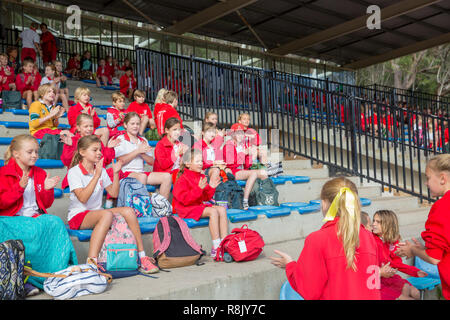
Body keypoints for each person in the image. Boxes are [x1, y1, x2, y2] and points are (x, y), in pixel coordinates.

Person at [269, 177, 381, 300]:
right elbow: (372, 286)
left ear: (324, 203)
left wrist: (290, 265)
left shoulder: (317, 240)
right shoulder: (369, 237)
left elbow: (309, 290)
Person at [66, 135, 159, 274]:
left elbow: (114, 193)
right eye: (95, 150)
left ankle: (142, 257)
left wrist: (115, 173)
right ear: (82, 152)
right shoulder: (74, 172)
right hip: (78, 216)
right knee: (106, 214)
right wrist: (96, 175)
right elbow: (83, 198)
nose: (99, 153)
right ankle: (92, 262)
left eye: (100, 150)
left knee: (128, 211)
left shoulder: (101, 170)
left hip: (98, 213)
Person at [0, 134, 71, 296]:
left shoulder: (39, 173)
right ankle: (23, 279)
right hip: (12, 220)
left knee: (55, 222)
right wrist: (19, 187)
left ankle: (55, 275)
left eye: (36, 152)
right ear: (16, 154)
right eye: (30, 152)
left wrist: (46, 189)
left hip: (34, 219)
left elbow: (45, 204)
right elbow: (2, 203)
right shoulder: (3, 173)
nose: (35, 155)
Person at [396, 154, 450, 300]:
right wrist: (424, 249)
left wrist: (413, 250)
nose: (426, 183)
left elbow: (434, 258)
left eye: (428, 178)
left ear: (442, 178)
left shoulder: (442, 206)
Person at [172, 148, 227, 258]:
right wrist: (198, 189)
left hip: (197, 205)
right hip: (185, 208)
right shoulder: (182, 178)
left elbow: (205, 197)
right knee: (213, 212)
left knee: (221, 209)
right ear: (188, 164)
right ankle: (216, 247)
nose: (200, 164)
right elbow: (184, 200)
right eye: (197, 161)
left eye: (201, 161)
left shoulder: (201, 176)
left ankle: (225, 243)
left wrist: (211, 187)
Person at [113, 112, 172, 200]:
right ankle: (141, 208)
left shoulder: (143, 140)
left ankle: (161, 207)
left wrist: (142, 153)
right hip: (125, 173)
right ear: (125, 125)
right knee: (142, 177)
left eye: (138, 124)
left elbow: (151, 162)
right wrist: (137, 151)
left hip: (140, 172)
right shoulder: (121, 139)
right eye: (132, 123)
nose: (135, 126)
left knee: (167, 176)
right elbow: (120, 161)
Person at [372, 210, 427, 300]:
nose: (373, 224)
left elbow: (396, 263)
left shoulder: (392, 241)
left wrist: (415, 272)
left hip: (389, 277)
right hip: (377, 279)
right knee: (406, 295)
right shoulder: (371, 239)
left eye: (378, 222)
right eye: (373, 220)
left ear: (388, 224)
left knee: (415, 292)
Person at [60, 113, 118, 190]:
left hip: (96, 174)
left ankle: (109, 201)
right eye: (86, 126)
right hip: (80, 177)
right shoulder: (72, 141)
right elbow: (67, 162)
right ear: (78, 128)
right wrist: (69, 147)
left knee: (116, 175)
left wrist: (109, 148)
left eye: (91, 126)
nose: (89, 129)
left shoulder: (96, 141)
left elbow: (104, 160)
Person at [223, 123, 268, 210]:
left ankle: (262, 198)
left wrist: (251, 156)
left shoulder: (243, 145)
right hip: (233, 171)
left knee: (264, 173)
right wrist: (244, 153)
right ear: (233, 134)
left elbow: (247, 165)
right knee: (254, 174)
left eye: (242, 133)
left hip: (244, 171)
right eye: (238, 133)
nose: (241, 135)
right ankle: (245, 201)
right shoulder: (228, 145)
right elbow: (230, 163)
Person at [153, 117, 189, 183]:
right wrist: (177, 154)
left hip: (178, 172)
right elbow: (163, 165)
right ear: (167, 130)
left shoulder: (180, 144)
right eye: (174, 129)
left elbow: (183, 164)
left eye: (179, 130)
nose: (178, 132)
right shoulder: (161, 145)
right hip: (165, 174)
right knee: (184, 178)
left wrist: (184, 157)